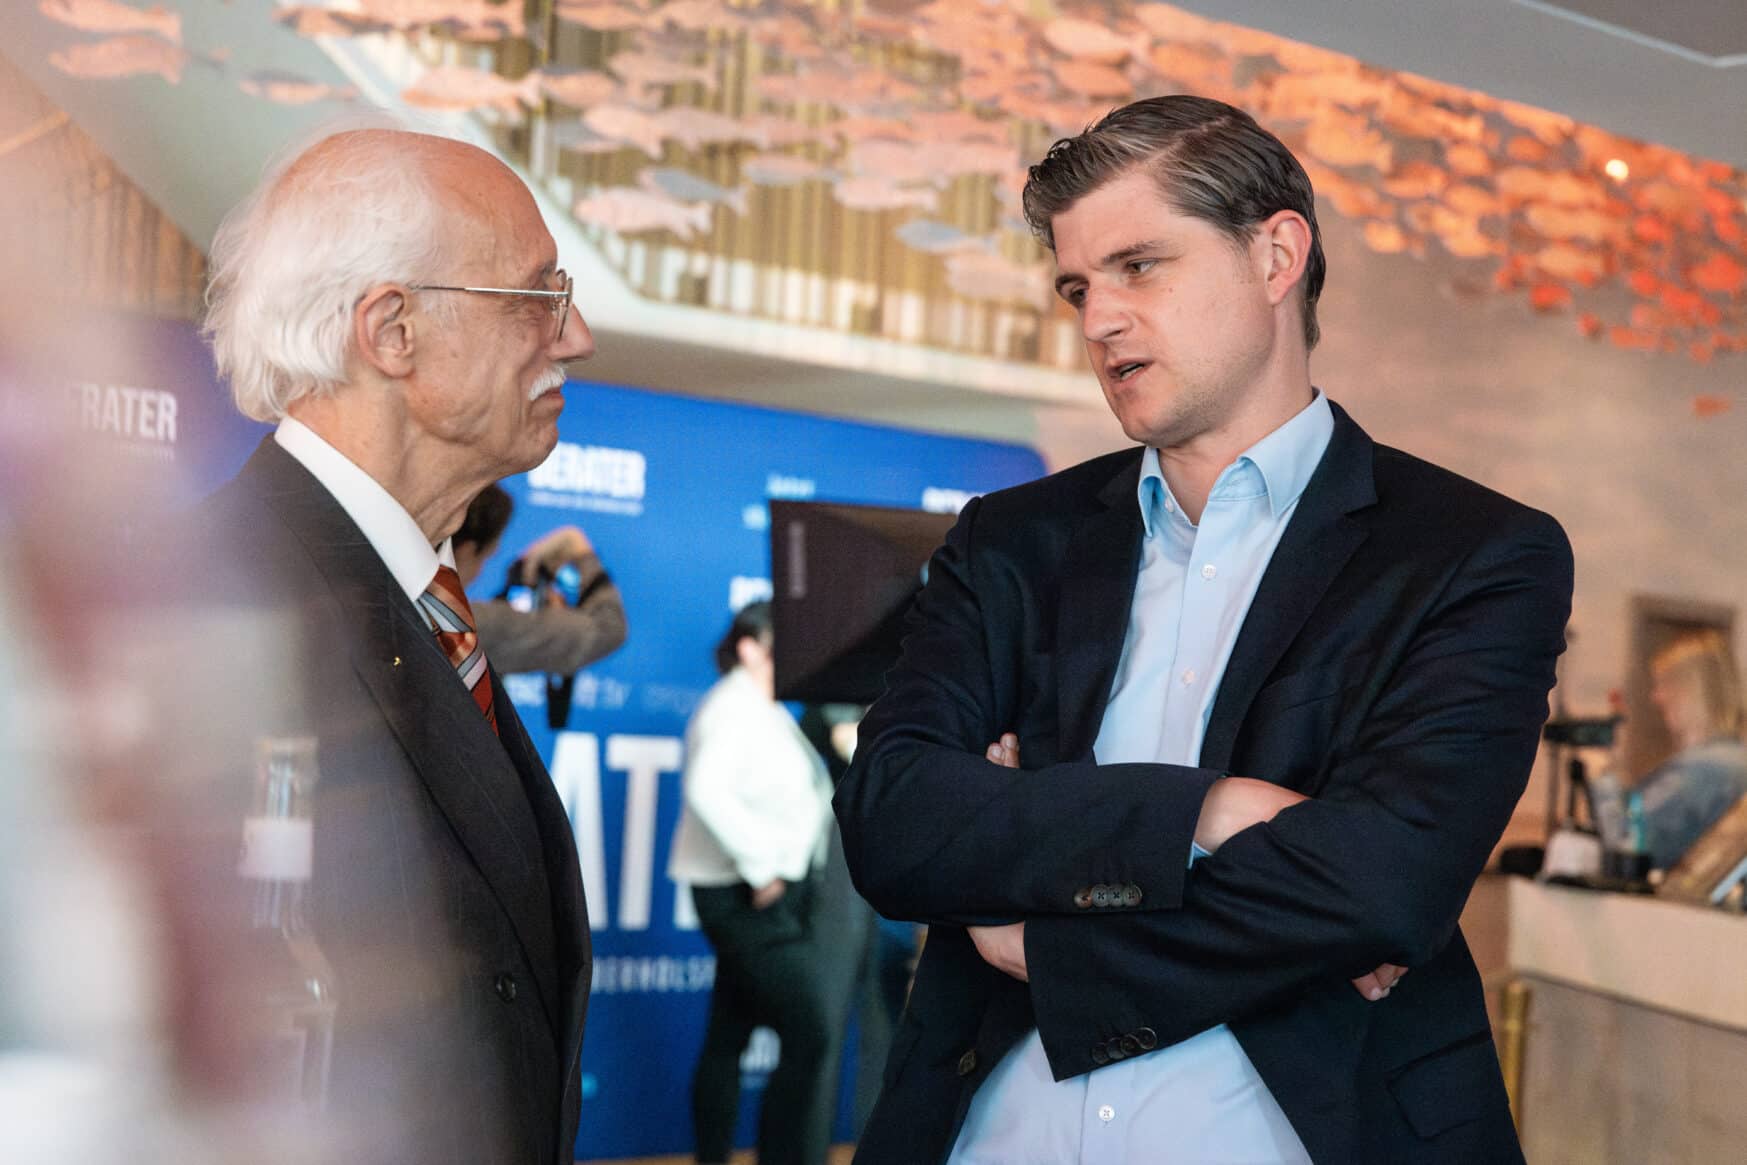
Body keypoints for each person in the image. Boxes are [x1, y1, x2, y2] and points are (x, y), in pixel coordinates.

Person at [834, 95, 1573, 1165]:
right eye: (1079, 286)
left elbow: (1378, 886)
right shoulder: (1012, 539)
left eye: (1141, 267)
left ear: (1276, 256)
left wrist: (1037, 925)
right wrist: (1212, 809)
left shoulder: (1470, 552)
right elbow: (894, 818)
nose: (1098, 320)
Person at [193, 125, 597, 1165]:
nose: (578, 335)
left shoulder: (421, 598)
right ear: (393, 331)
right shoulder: (215, 604)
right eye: (539, 297)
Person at [667, 602, 837, 1165]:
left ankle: (714, 1158)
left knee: (728, 1036)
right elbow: (707, 791)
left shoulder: (762, 707)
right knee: (810, 1029)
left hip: (765, 893)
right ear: (749, 647)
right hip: (746, 896)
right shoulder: (734, 708)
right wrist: (762, 868)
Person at [1601, 630, 1747, 869]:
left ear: (1691, 690)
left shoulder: (1702, 772)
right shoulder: (1734, 762)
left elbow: (1626, 847)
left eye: (1664, 684)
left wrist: (1608, 776)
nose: (1656, 697)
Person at [451, 482, 628, 675]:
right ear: (466, 551)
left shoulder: (422, 614)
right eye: (488, 555)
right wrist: (578, 547)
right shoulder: (473, 626)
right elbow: (606, 630)